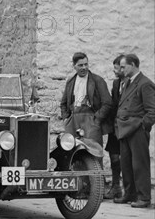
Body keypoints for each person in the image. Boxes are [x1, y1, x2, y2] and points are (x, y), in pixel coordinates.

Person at [114, 54, 155, 208]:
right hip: (125, 129)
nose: (121, 69)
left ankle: (144, 197)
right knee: (126, 164)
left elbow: (152, 111)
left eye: (124, 66)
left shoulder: (145, 84)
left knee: (140, 164)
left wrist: (143, 126)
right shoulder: (128, 83)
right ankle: (130, 194)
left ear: (133, 65)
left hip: (137, 129)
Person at [59, 52, 112, 148]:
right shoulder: (70, 82)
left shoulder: (97, 80)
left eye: (86, 64)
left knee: (93, 151)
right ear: (74, 66)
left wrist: (97, 120)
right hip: (73, 121)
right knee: (72, 150)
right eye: (80, 65)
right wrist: (66, 118)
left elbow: (107, 103)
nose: (84, 67)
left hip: (91, 121)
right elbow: (63, 103)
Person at [103, 55, 126, 199]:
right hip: (115, 127)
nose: (114, 71)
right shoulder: (116, 84)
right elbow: (113, 105)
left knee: (128, 159)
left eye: (116, 68)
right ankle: (115, 186)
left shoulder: (132, 83)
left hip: (127, 127)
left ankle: (130, 189)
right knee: (114, 157)